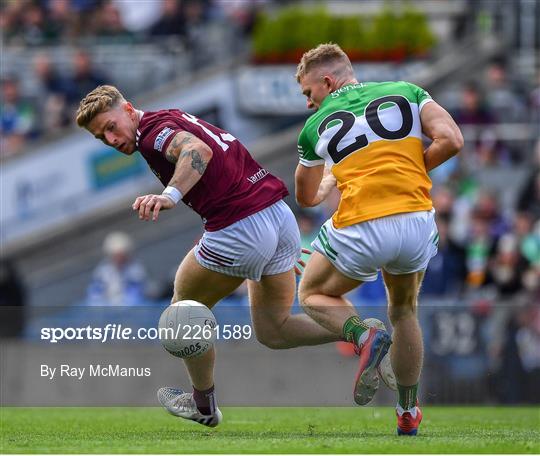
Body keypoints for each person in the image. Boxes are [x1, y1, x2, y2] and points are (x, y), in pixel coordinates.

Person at [75, 84, 346, 428]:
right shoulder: (167, 116)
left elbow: (195, 150)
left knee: (181, 312)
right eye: (102, 137)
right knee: (273, 331)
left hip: (240, 225)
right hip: (276, 215)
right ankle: (358, 330)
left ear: (128, 109)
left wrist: (170, 195)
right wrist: (267, 242)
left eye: (111, 127)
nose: (111, 140)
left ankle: (203, 404)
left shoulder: (151, 135)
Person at [294, 44, 463, 435]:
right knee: (404, 311)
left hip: (362, 224)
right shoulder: (408, 91)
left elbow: (305, 198)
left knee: (312, 293)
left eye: (308, 93)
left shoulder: (314, 126)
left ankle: (364, 335)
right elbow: (452, 139)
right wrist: (405, 169)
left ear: (327, 81)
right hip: (416, 221)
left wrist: (329, 181)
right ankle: (407, 411)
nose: (308, 103)